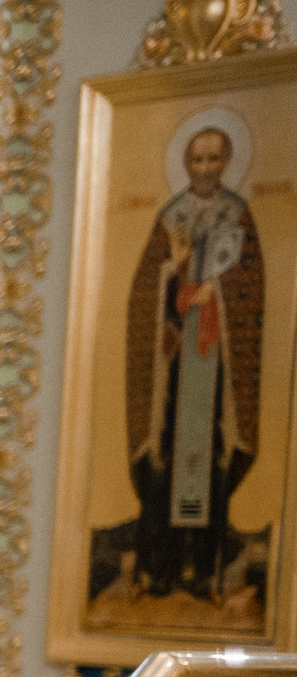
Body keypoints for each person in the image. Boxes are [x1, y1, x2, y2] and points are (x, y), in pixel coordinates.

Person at [126, 122, 264, 604]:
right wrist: (174, 271)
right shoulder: (171, 216)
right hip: (174, 360)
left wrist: (216, 291)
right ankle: (159, 569)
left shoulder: (237, 214)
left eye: (214, 159)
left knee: (210, 456)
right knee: (166, 455)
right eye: (197, 159)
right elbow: (146, 286)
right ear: (185, 164)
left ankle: (204, 571)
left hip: (214, 360)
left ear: (227, 163)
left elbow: (249, 285)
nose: (205, 169)